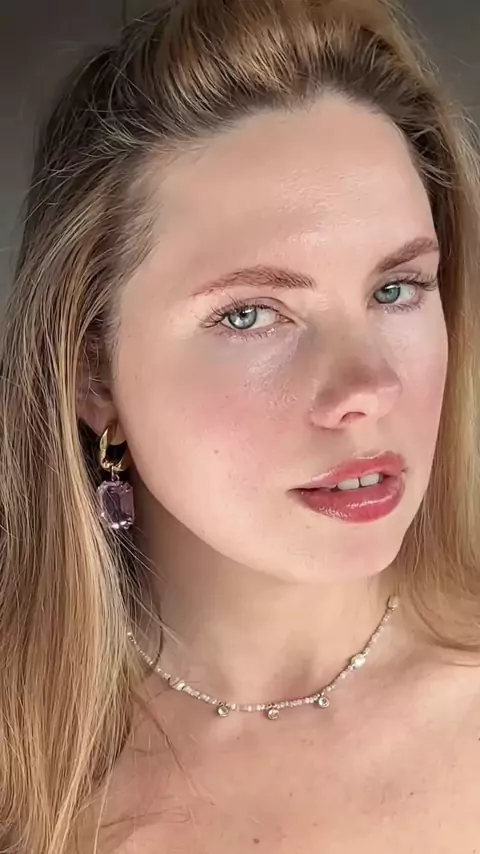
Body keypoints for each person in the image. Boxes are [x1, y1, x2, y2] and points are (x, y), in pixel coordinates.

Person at [1, 0, 480, 851]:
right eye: (251, 314)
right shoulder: (25, 778)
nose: (368, 388)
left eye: (395, 289)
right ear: (92, 374)